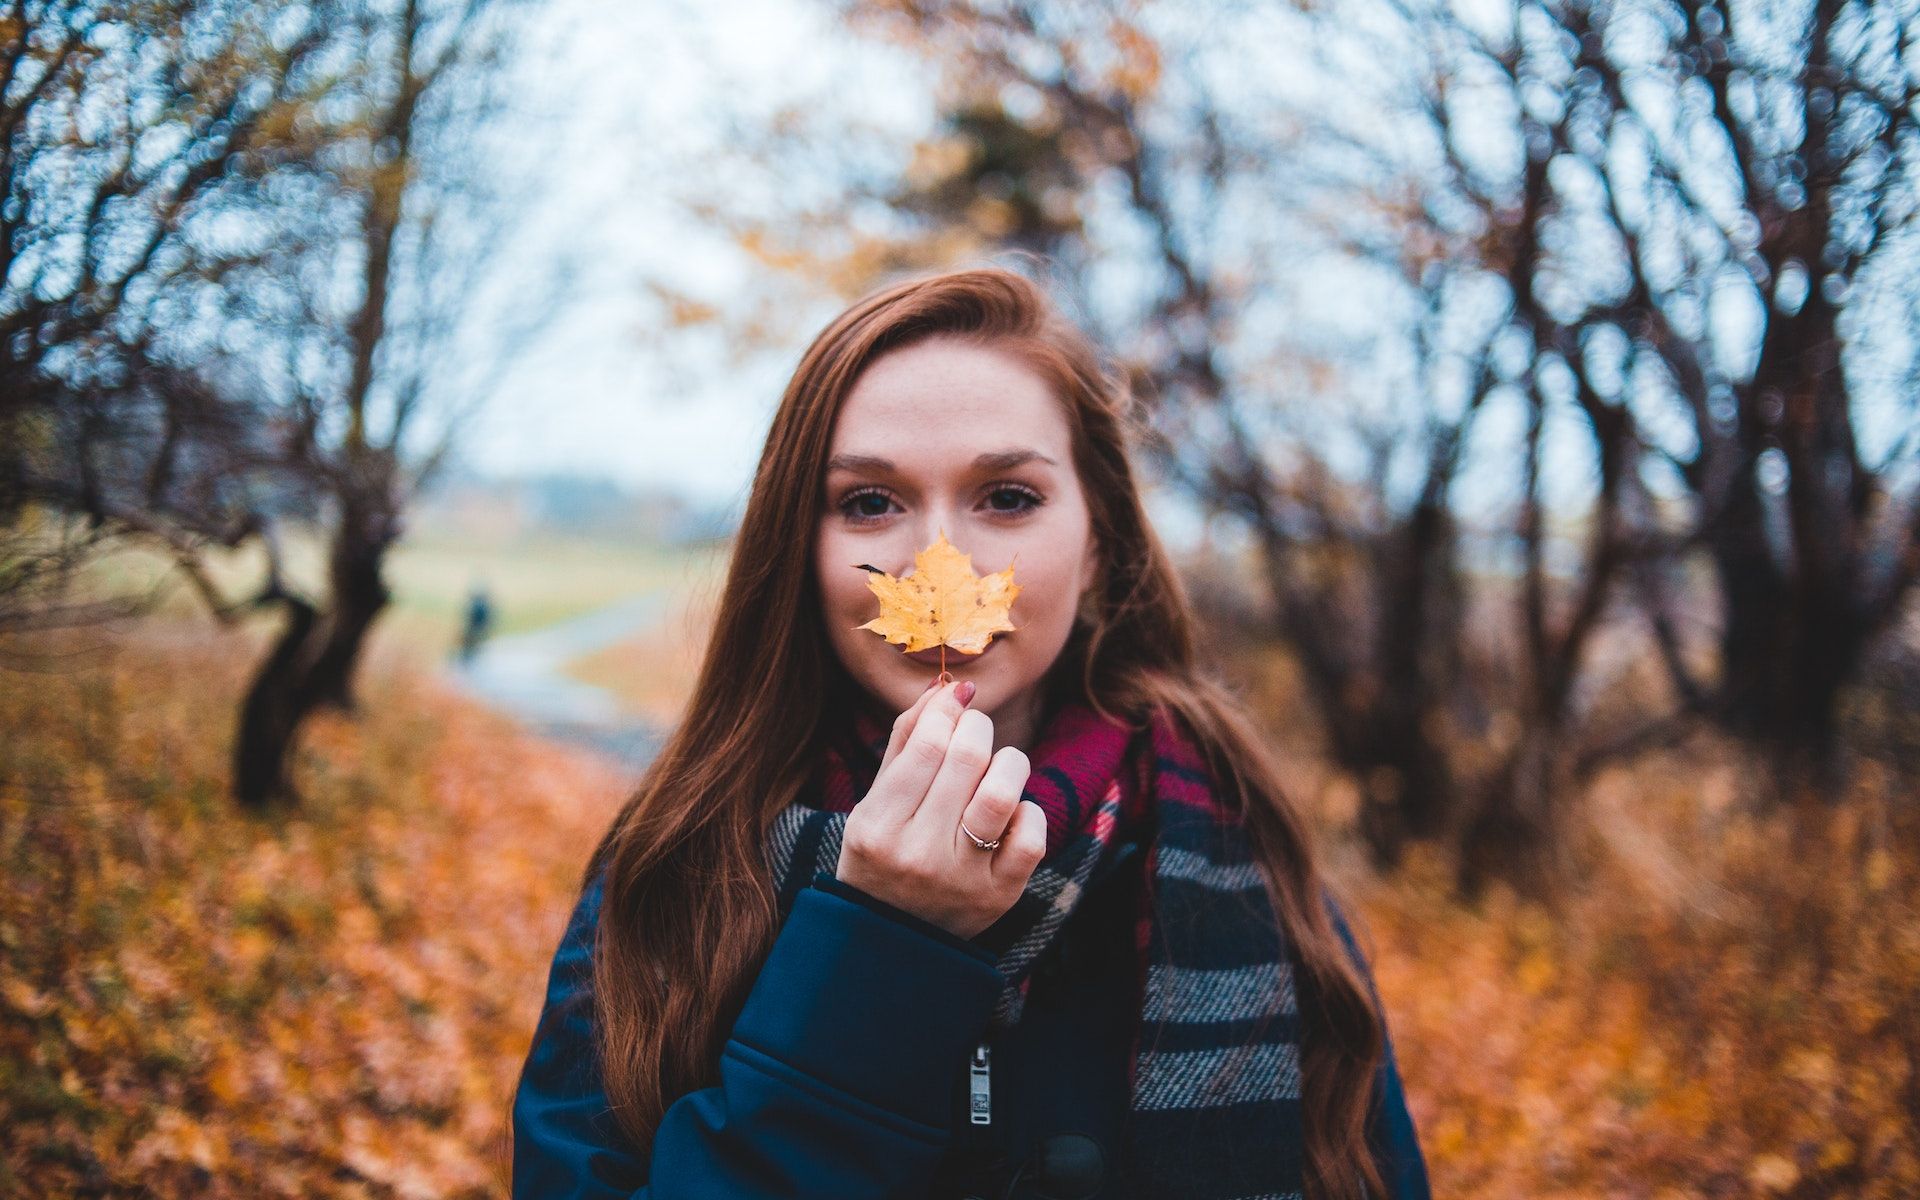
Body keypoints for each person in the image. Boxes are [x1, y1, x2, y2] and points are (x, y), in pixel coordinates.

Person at [510, 266, 1432, 1200]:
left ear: (1099, 543)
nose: (936, 559)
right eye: (870, 502)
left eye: (1008, 497)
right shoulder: (675, 873)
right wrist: (874, 955)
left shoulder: (1248, 865)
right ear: (799, 547)